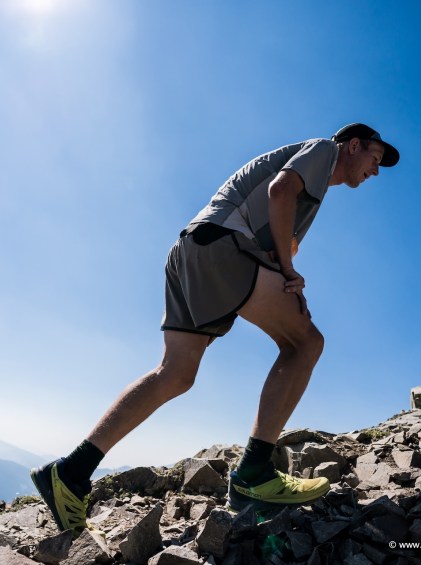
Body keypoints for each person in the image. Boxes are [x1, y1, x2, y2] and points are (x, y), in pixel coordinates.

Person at [30, 123, 400, 534]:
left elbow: (278, 233)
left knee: (174, 373)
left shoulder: (314, 187)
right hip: (223, 246)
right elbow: (280, 191)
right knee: (305, 344)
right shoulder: (322, 151)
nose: (376, 170)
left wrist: (285, 272)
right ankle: (253, 475)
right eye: (375, 158)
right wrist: (288, 272)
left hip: (191, 248)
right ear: (353, 145)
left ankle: (71, 471)